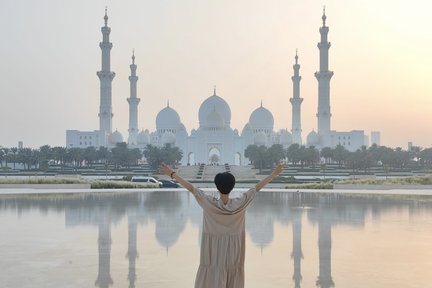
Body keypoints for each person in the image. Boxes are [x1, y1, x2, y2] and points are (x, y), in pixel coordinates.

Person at [159, 162, 285, 288]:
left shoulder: (209, 203)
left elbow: (192, 188)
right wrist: (274, 174)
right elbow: (256, 188)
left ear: (217, 186)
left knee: (213, 273)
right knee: (233, 272)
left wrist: (172, 173)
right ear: (232, 186)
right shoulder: (240, 204)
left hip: (212, 249)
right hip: (234, 249)